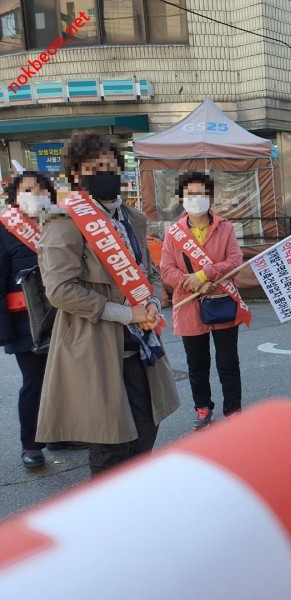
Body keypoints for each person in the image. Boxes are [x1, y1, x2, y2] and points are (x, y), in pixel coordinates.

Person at [36, 133, 179, 476]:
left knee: (146, 432)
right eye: (93, 168)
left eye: (110, 166)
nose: (105, 173)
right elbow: (60, 289)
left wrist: (153, 305)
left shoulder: (132, 218)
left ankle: (135, 509)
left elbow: (152, 272)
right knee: (111, 444)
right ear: (76, 176)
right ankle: (108, 519)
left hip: (141, 344)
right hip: (95, 345)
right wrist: (126, 313)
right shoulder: (64, 220)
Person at [161, 171, 250, 431]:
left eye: (201, 193)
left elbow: (235, 259)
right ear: (181, 198)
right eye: (190, 194)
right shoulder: (173, 233)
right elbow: (165, 269)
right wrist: (192, 283)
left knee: (228, 362)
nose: (196, 199)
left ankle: (233, 409)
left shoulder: (225, 227)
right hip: (189, 304)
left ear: (210, 197)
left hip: (222, 299)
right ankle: (203, 407)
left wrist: (203, 275)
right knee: (197, 364)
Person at [0, 172, 57, 468]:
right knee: (34, 382)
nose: (35, 194)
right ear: (14, 195)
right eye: (27, 190)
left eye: (41, 189)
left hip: (62, 315)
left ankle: (62, 434)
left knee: (62, 378)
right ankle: (31, 445)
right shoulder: (5, 228)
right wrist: (5, 332)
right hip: (25, 322)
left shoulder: (56, 222)